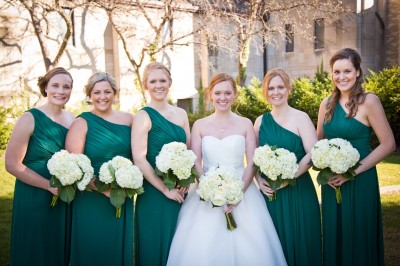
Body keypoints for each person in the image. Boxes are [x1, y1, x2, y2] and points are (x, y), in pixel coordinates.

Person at [167, 73, 287, 266]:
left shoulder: (245, 124)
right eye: (218, 93)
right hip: (206, 191)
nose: (223, 97)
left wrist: (238, 193)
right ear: (210, 95)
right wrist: (209, 188)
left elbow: (253, 162)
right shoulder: (199, 125)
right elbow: (195, 161)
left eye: (227, 93)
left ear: (234, 95)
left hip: (243, 190)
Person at [317, 48, 395, 266]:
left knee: (359, 235)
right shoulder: (326, 104)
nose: (341, 77)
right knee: (335, 233)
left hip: (361, 180)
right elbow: (317, 142)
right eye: (336, 72)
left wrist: (351, 172)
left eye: (347, 71)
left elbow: (388, 144)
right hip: (332, 182)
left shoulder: (370, 101)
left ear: (358, 72)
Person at [5, 67, 75, 266]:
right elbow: (11, 164)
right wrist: (47, 185)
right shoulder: (29, 118)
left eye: (66, 87)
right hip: (34, 194)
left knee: (58, 246)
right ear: (45, 88)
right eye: (55, 85)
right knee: (35, 247)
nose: (60, 91)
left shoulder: (72, 119)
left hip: (64, 193)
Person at [254, 68, 322, 266]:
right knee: (276, 245)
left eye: (280, 87)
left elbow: (313, 153)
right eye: (271, 88)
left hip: (298, 191)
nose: (276, 92)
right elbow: (253, 157)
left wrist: (289, 177)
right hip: (271, 195)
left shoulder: (301, 118)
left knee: (302, 242)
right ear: (265, 92)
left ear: (288, 88)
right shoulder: (260, 122)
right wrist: (259, 180)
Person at [65, 72, 134, 266]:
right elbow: (74, 167)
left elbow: (141, 152)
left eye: (107, 92)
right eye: (97, 92)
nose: (102, 97)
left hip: (123, 193)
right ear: (89, 95)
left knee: (116, 249)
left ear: (115, 93)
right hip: (91, 196)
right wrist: (105, 190)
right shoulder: (82, 122)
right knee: (92, 247)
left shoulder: (130, 120)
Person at [132, 62, 191, 266]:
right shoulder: (143, 116)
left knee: (180, 244)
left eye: (163, 80)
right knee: (154, 244)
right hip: (154, 193)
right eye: (153, 81)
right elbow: (139, 158)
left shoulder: (181, 114)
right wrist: (165, 190)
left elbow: (188, 151)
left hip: (181, 191)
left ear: (170, 83)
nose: (159, 85)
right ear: (146, 85)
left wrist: (187, 180)